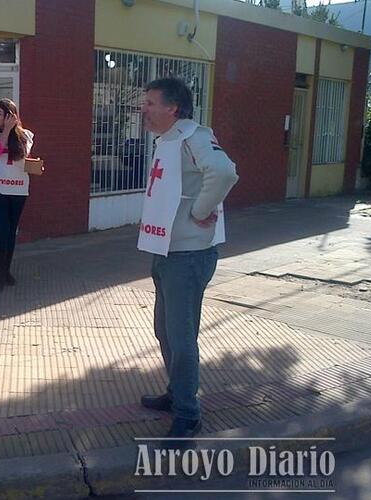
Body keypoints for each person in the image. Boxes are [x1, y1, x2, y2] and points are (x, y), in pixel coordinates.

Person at [137, 78, 238, 443]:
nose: (143, 109)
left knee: (181, 338)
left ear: (173, 108)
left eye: (150, 103)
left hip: (189, 256)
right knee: (165, 331)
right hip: (166, 251)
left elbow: (224, 171)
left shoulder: (194, 137)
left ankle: (188, 415)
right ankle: (176, 393)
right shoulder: (169, 139)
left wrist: (200, 211)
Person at [0, 99, 34, 290]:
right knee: (1, 229)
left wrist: (12, 131)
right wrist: (5, 132)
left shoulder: (26, 135)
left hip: (18, 189)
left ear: (10, 116)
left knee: (11, 231)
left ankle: (7, 270)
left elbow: (22, 155)